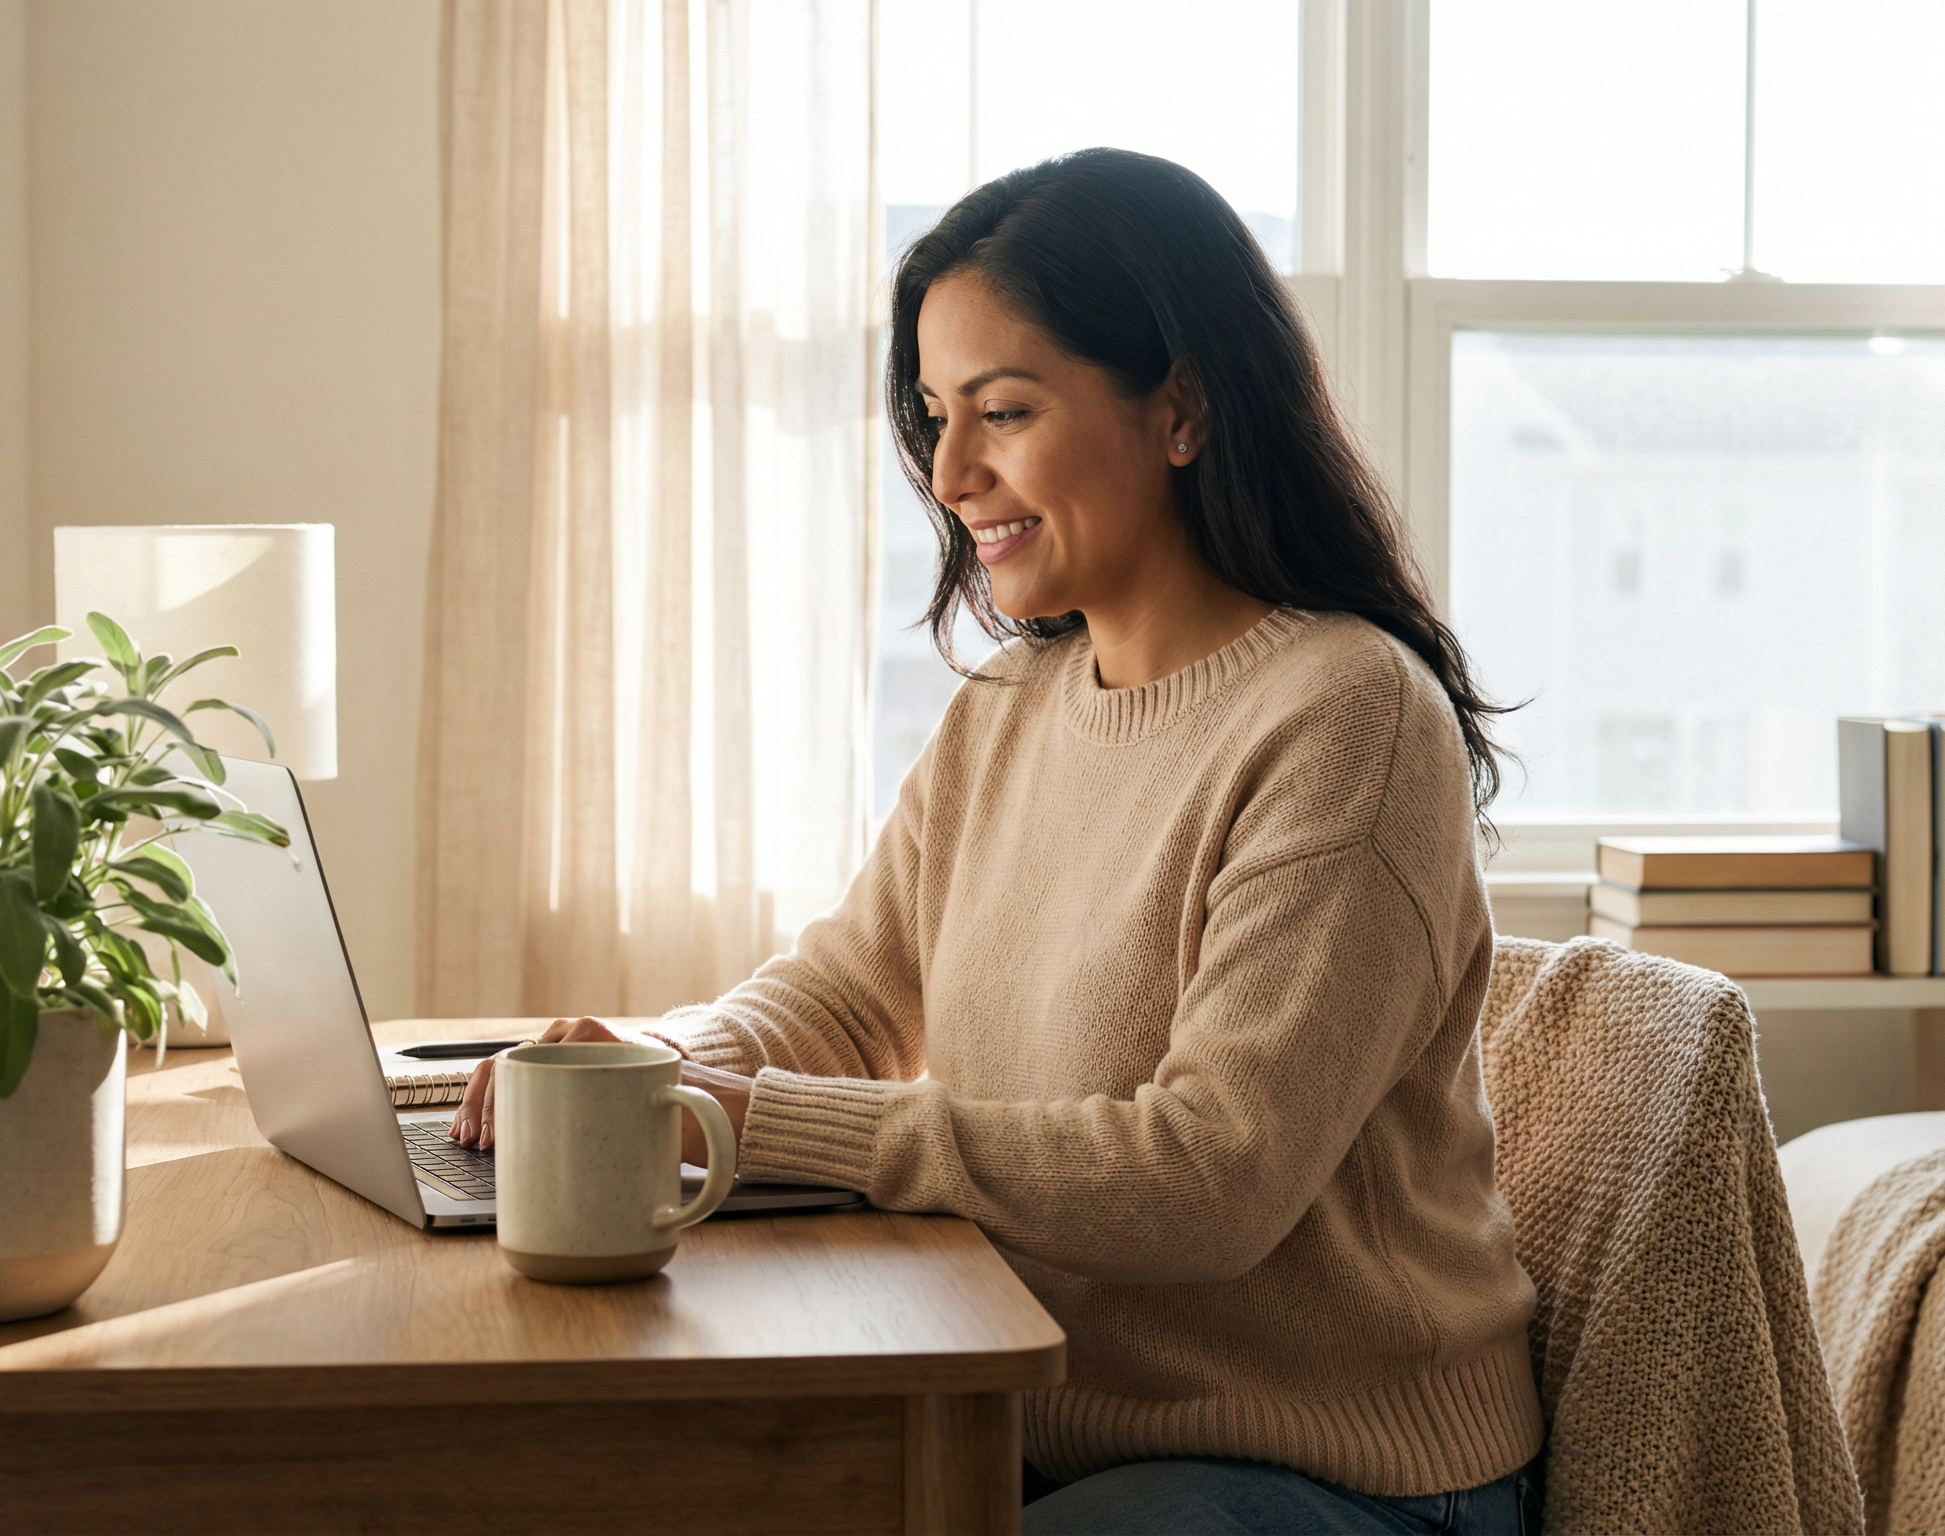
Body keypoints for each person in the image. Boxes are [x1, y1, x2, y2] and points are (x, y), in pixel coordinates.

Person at [454, 148, 1542, 1535]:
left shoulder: (1344, 717)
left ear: (1183, 409)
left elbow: (1209, 1179)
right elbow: (852, 991)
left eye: (1004, 412)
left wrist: (747, 1123)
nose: (954, 472)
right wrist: (673, 1065)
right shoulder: (1016, 704)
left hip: (1333, 1472)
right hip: (1032, 1420)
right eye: (934, 415)